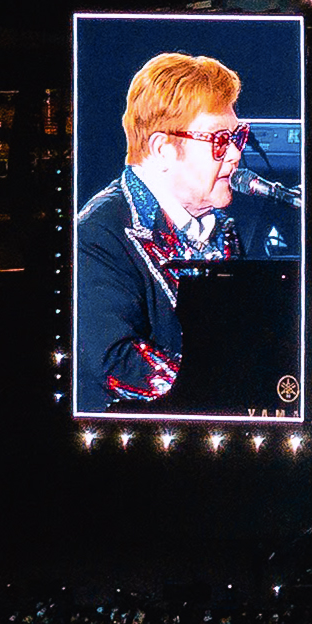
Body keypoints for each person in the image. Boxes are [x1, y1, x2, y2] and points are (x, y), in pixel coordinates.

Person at [74, 52, 249, 409]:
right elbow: (116, 361)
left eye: (238, 137)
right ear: (162, 149)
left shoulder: (224, 231)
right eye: (219, 140)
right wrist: (229, 388)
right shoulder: (98, 233)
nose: (234, 155)